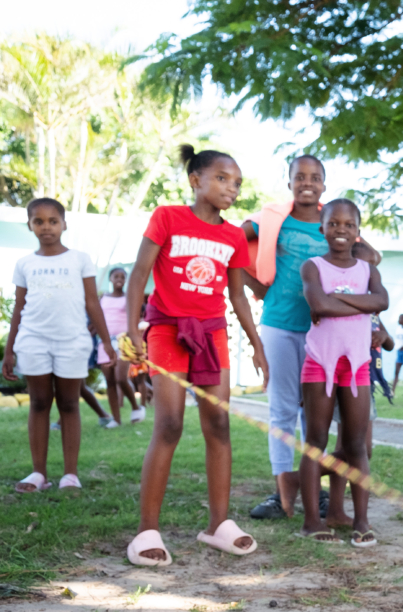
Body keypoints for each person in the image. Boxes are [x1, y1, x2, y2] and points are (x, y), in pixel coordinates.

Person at [124, 145, 268, 566]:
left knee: (219, 423)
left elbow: (237, 296)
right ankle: (146, 530)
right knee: (169, 424)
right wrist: (133, 329)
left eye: (237, 182)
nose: (231, 188)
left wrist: (256, 345)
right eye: (222, 178)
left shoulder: (233, 235)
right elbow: (139, 274)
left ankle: (218, 525)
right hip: (168, 328)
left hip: (211, 333)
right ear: (196, 180)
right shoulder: (167, 217)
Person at [3, 198, 117, 493]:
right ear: (30, 225)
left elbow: (93, 303)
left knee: (68, 404)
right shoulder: (25, 263)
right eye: (38, 221)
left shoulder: (80, 259)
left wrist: (106, 342)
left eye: (53, 221)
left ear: (64, 224)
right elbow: (19, 307)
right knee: (39, 403)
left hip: (73, 342)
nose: (46, 227)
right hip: (33, 341)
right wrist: (9, 349)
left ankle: (70, 474)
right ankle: (38, 473)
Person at [297, 199, 388, 546]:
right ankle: (311, 521)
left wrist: (338, 298)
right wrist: (355, 302)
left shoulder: (367, 271)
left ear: (358, 232)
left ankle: (361, 521)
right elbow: (318, 304)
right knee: (315, 443)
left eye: (349, 225)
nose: (341, 230)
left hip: (358, 367)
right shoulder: (313, 267)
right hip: (320, 363)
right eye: (333, 224)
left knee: (356, 445)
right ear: (322, 228)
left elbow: (381, 302)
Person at [242, 155, 327, 520]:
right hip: (278, 324)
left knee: (315, 415)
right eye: (299, 176)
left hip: (323, 330)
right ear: (289, 181)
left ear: (324, 184)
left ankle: (314, 490)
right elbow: (232, 243)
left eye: (315, 177)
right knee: (282, 410)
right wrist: (256, 286)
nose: (307, 182)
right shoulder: (272, 220)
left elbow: (365, 257)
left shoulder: (333, 221)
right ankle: (282, 491)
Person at [322, 240, 393, 530]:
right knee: (351, 446)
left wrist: (382, 335)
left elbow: (388, 343)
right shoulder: (343, 301)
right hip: (345, 379)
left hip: (368, 382)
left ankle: (333, 502)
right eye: (368, 269)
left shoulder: (372, 308)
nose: (373, 276)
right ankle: (332, 504)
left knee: (363, 449)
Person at [97, 267, 144, 427]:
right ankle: (116, 419)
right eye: (116, 276)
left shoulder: (129, 298)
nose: (119, 279)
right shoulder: (103, 297)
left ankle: (136, 407)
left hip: (124, 342)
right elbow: (98, 319)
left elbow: (137, 318)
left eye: (122, 277)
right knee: (110, 381)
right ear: (110, 279)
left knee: (120, 378)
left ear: (126, 280)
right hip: (105, 343)